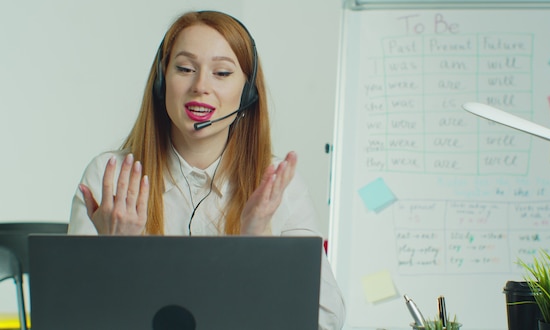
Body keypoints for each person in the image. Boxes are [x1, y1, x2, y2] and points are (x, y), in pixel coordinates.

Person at [67, 10, 345, 329]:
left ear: (248, 92)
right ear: (161, 83)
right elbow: (69, 317)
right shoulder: (112, 175)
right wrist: (120, 254)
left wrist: (260, 245)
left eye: (222, 73)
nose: (200, 86)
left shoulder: (278, 186)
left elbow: (326, 320)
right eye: (184, 68)